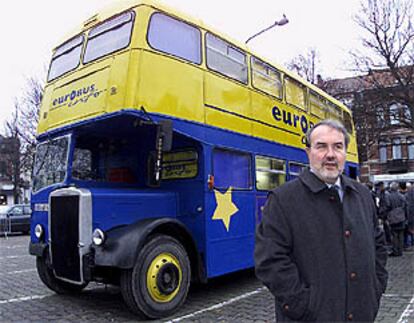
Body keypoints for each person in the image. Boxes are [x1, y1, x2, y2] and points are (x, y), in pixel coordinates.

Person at [254, 119, 388, 322]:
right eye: (321, 146)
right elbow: (270, 261)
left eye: (338, 146)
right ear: (308, 152)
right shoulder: (283, 199)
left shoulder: (362, 194)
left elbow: (378, 245)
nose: (331, 154)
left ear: (344, 152)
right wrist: (302, 305)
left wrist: (376, 288)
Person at [386, 182, 407, 257]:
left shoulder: (388, 196)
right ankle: (400, 251)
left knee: (394, 235)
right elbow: (405, 206)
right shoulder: (401, 196)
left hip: (393, 217)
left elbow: (388, 206)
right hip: (401, 217)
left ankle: (395, 251)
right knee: (401, 235)